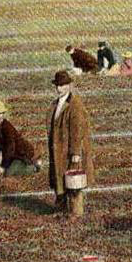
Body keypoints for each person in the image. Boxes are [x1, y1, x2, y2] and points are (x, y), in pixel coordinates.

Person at [48, 70, 96, 216]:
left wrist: (75, 152)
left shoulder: (75, 104)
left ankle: (76, 212)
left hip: (70, 149)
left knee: (74, 181)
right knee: (60, 177)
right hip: (59, 148)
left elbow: (77, 130)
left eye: (62, 85)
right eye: (57, 85)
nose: (59, 88)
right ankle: (61, 208)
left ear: (69, 85)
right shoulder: (57, 103)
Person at [0, 100, 41, 176]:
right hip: (11, 155)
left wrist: (3, 166)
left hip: (20, 154)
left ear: (3, 114)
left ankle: (34, 167)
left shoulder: (7, 127)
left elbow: (10, 148)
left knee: (8, 173)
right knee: (1, 171)